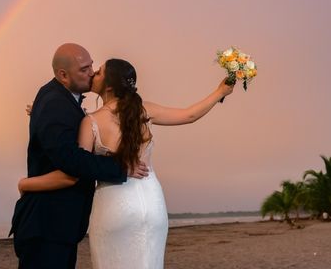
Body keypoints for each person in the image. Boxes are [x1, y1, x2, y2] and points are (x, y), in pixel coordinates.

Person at [18, 57, 234, 268]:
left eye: (99, 71)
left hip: (115, 205)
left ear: (109, 87)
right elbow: (189, 115)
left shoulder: (90, 121)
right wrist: (220, 92)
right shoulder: (144, 110)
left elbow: (77, 167)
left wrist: (26, 182)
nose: (93, 73)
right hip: (153, 204)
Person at [10, 43, 149, 269]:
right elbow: (71, 161)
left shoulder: (59, 98)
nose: (92, 72)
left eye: (92, 65)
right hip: (47, 225)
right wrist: (122, 167)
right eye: (84, 69)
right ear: (63, 75)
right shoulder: (55, 103)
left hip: (58, 227)